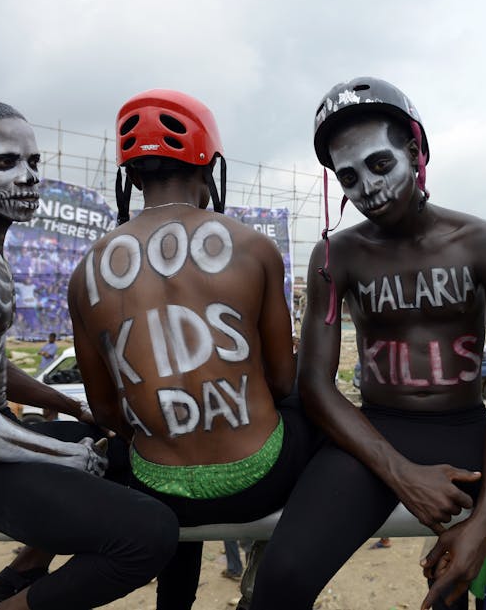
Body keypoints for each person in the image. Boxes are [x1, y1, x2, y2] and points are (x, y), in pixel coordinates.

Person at [249, 77, 486, 610]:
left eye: (380, 164)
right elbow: (315, 387)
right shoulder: (335, 257)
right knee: (280, 579)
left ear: (415, 151)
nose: (367, 187)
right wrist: (399, 473)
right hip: (376, 433)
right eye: (348, 176)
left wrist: (483, 522)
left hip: (473, 431)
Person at [0, 97, 179, 610]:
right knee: (149, 534)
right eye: (4, 163)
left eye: (33, 162)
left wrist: (74, 411)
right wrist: (69, 456)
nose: (28, 177)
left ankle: (22, 571)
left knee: (134, 450)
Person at [67, 88, 317, 610]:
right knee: (306, 413)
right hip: (261, 479)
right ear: (210, 168)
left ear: (131, 178)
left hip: (156, 485)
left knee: (154, 466)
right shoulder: (253, 247)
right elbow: (282, 380)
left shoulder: (86, 269)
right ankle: (268, 574)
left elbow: (110, 412)